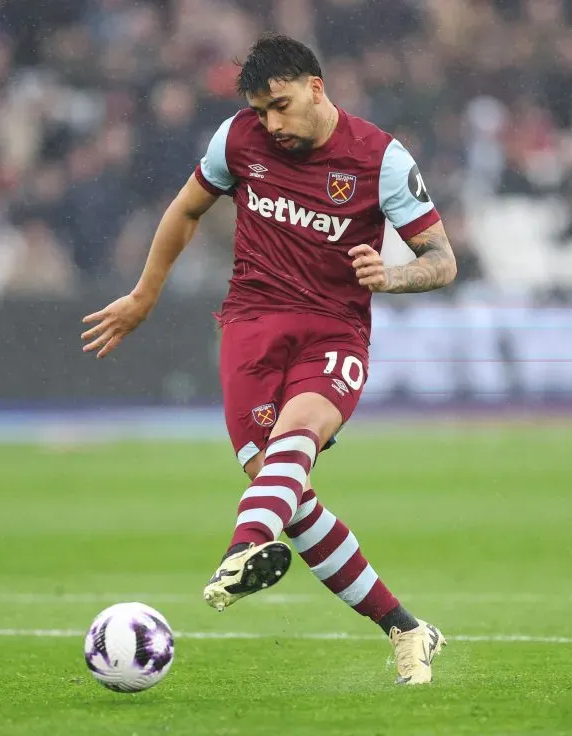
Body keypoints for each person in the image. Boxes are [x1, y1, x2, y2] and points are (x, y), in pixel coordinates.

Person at [81, 34, 457, 684]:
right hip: (250, 329)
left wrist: (390, 278)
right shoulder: (238, 140)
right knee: (288, 494)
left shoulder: (381, 160)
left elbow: (443, 261)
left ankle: (242, 550)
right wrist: (144, 295)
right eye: (261, 112)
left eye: (280, 106)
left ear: (316, 86)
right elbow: (186, 209)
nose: (272, 124)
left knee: (296, 441)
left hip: (334, 333)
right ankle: (406, 629)